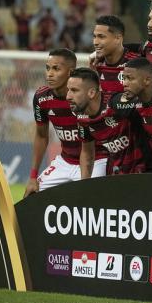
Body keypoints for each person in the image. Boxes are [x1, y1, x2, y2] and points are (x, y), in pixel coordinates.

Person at [25, 49, 107, 197]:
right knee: (30, 198)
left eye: (56, 69)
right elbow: (42, 136)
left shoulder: (87, 96)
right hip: (65, 161)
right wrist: (32, 176)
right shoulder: (41, 97)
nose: (50, 74)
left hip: (97, 160)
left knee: (89, 204)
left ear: (71, 72)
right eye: (48, 68)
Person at [66, 67, 152, 177]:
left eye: (74, 90)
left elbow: (147, 98)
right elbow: (87, 154)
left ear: (92, 93)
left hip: (148, 171)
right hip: (119, 175)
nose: (68, 96)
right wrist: (83, 185)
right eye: (68, 90)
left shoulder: (116, 103)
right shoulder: (82, 119)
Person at [92, 15, 140, 102]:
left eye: (101, 37)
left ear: (118, 38)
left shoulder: (136, 62)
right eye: (94, 36)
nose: (95, 42)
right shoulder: (96, 65)